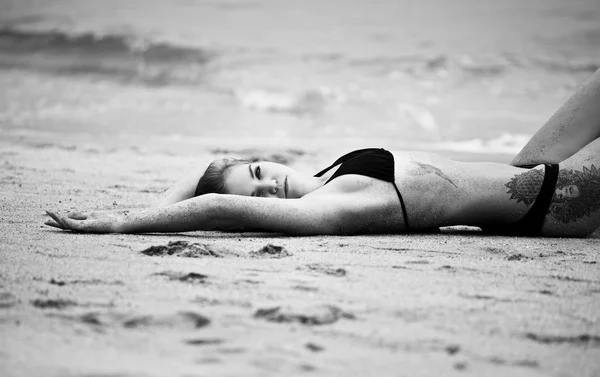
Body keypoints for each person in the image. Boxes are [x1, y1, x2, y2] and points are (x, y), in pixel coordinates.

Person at [45, 68, 600, 237]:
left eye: (259, 171)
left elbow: (204, 173)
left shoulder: (329, 175)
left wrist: (177, 190)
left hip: (528, 177)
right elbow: (214, 207)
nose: (271, 186)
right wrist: (122, 224)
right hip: (560, 201)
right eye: (261, 196)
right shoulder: (330, 208)